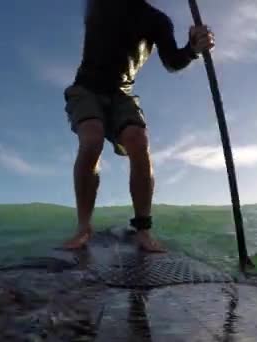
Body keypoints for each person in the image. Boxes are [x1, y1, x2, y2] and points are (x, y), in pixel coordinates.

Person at [62, 0, 215, 252]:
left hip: (122, 93)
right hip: (86, 88)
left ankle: (143, 230)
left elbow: (172, 61)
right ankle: (83, 228)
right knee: (92, 137)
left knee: (138, 140)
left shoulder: (157, 20)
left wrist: (192, 48)